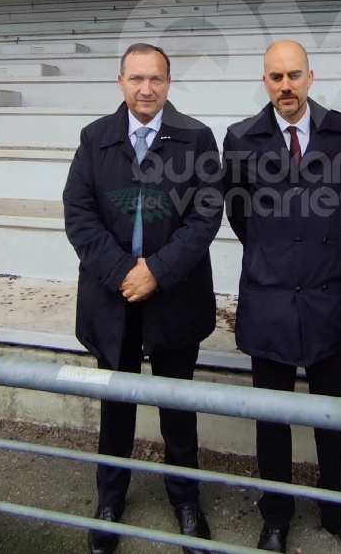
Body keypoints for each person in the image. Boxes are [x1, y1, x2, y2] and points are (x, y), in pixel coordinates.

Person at [63, 43, 224, 554]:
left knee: (178, 405)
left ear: (168, 83)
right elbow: (79, 213)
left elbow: (205, 216)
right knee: (117, 406)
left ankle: (186, 500)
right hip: (113, 298)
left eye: (155, 79)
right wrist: (122, 274)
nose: (146, 89)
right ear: (120, 82)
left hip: (173, 294)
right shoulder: (95, 138)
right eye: (136, 79)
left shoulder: (197, 138)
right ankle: (110, 499)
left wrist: (156, 272)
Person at [222, 40, 341, 552]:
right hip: (269, 299)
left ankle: (336, 508)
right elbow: (241, 217)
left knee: (332, 416)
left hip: (327, 295)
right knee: (273, 421)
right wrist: (276, 254)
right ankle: (275, 514)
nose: (286, 85)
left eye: (294, 75)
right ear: (265, 82)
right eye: (276, 76)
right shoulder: (240, 138)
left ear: (310, 77)